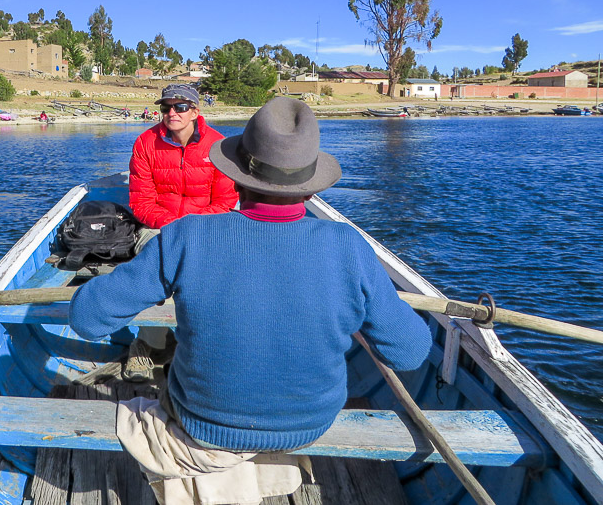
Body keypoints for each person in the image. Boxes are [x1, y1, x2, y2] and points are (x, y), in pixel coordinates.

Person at [70, 98, 431, 495]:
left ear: (236, 179)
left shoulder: (188, 236)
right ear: (310, 190)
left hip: (203, 421)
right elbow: (410, 351)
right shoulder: (348, 246)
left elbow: (87, 318)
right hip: (309, 423)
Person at [123, 83, 239, 381]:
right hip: (159, 227)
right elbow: (141, 202)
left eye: (180, 107)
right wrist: (173, 227)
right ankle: (149, 344)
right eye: (166, 107)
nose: (172, 113)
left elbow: (225, 203)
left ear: (196, 112)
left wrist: (191, 227)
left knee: (218, 271)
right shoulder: (145, 143)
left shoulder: (219, 146)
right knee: (157, 263)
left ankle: (203, 342)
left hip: (207, 228)